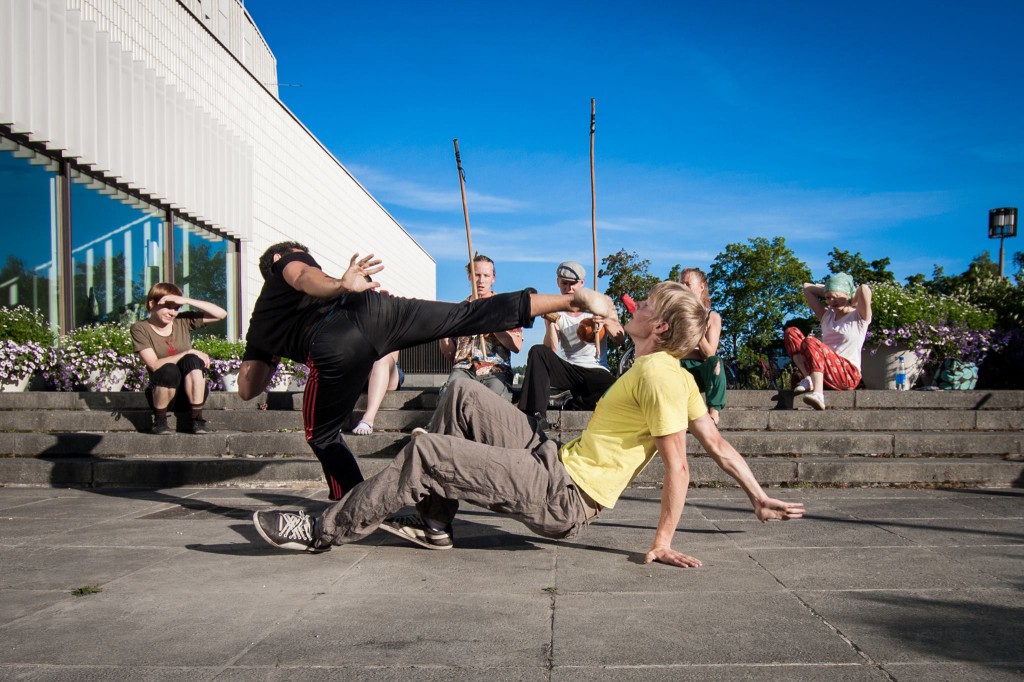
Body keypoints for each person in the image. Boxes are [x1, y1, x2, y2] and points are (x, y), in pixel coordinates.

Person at [252, 281, 805, 567]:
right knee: (464, 393)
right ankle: (437, 523)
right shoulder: (667, 372)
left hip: (564, 496)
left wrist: (661, 541)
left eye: (645, 304)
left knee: (426, 454)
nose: (631, 304)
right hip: (553, 459)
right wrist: (758, 496)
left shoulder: (660, 376)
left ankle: (323, 531)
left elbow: (681, 464)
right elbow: (722, 446)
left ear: (657, 326)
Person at [237, 241, 616, 502]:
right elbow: (302, 275)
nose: (302, 261)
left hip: (336, 344)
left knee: (321, 436)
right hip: (376, 313)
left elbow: (247, 389)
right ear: (276, 262)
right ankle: (571, 299)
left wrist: (333, 288)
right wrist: (337, 284)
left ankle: (350, 501)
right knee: (465, 314)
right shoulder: (285, 261)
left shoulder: (262, 323)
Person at [517, 260, 624, 423]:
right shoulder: (555, 310)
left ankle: (572, 403)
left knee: (612, 388)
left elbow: (621, 338)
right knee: (537, 351)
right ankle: (535, 414)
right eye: (564, 283)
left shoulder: (600, 304)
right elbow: (551, 350)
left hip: (596, 370)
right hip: (570, 369)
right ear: (558, 283)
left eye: (573, 284)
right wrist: (551, 325)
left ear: (582, 283)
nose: (569, 288)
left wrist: (606, 321)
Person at [130, 283, 228, 434]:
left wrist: (188, 301)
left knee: (192, 360)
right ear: (152, 303)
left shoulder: (183, 321)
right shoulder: (140, 328)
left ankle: (197, 419)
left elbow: (221, 314)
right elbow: (154, 365)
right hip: (163, 396)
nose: (173, 313)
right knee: (169, 368)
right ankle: (160, 421)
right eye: (168, 306)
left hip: (189, 395)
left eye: (176, 308)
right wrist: (187, 352)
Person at [784, 273, 872, 410]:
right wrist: (829, 289)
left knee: (811, 341)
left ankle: (818, 394)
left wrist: (850, 297)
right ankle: (809, 379)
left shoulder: (859, 317)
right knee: (792, 333)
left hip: (847, 373)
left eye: (835, 297)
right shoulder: (827, 316)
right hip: (825, 372)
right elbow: (807, 287)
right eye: (828, 298)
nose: (831, 301)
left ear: (846, 294)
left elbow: (864, 289)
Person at [439, 254, 521, 400]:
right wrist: (442, 333)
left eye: (486, 275)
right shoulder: (459, 310)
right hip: (464, 370)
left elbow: (517, 346)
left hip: (496, 371)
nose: (481, 280)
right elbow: (451, 355)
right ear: (470, 276)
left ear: (493, 278)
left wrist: (492, 323)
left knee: (495, 401)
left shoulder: (506, 307)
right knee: (449, 396)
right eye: (477, 275)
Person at [677, 268, 726, 425]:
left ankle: (713, 413)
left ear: (701, 287)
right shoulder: (672, 315)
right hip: (677, 367)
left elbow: (709, 354)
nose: (683, 288)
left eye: (687, 284)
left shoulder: (712, 317)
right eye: (681, 284)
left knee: (717, 363)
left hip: (700, 370)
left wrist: (696, 331)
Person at [351, 350, 403, 435]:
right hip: (355, 369)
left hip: (384, 368)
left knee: (382, 356)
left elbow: (393, 354)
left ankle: (368, 419)